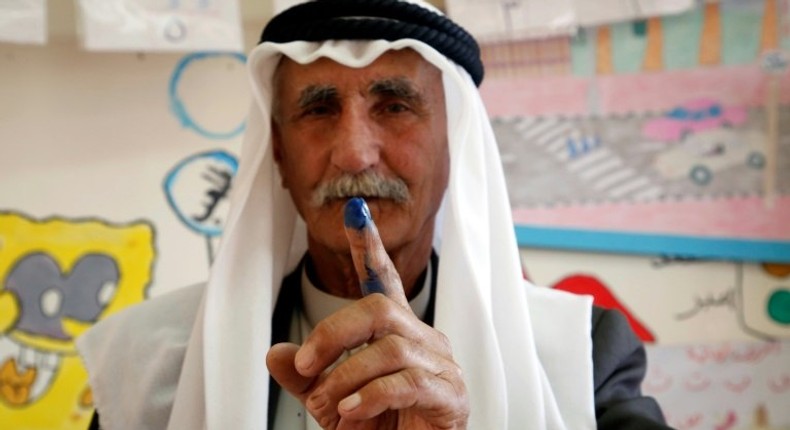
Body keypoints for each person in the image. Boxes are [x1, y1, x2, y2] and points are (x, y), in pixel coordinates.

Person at [77, 0, 673, 429]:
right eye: (318, 109)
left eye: (394, 105)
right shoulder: (158, 361)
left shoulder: (579, 350)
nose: (355, 151)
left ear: (455, 147)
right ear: (278, 154)